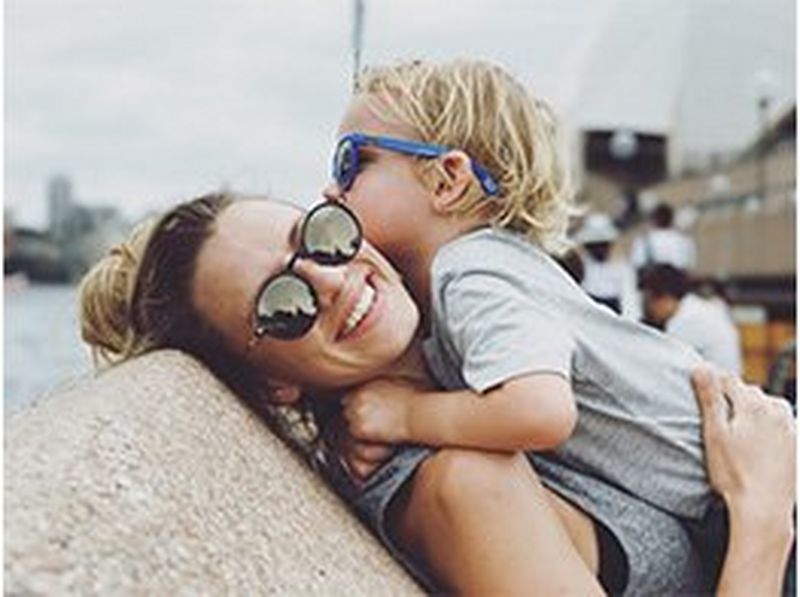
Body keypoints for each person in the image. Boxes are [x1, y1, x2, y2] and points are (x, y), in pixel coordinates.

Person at [78, 193, 794, 595]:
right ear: (274, 381)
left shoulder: (477, 384)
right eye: (283, 304)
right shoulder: (459, 482)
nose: (332, 279)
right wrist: (762, 521)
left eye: (320, 237)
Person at [322, 58, 789, 593]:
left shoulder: (471, 272)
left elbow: (537, 410)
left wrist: (406, 415)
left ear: (447, 179)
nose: (332, 190)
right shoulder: (487, 272)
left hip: (745, 482)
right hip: (722, 488)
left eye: (350, 162)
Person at [639, 264, 742, 374]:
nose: (647, 312)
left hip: (718, 386)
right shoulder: (695, 308)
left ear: (664, 297)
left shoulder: (687, 322)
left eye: (647, 302)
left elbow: (659, 362)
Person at [572, 212, 638, 316]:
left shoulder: (621, 268)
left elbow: (629, 302)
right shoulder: (579, 268)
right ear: (587, 247)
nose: (599, 250)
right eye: (594, 246)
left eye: (602, 245)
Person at [630, 201, 697, 274]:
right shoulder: (685, 240)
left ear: (654, 220)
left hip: (651, 282)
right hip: (677, 281)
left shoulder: (642, 240)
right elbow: (688, 266)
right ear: (672, 220)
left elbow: (636, 265)